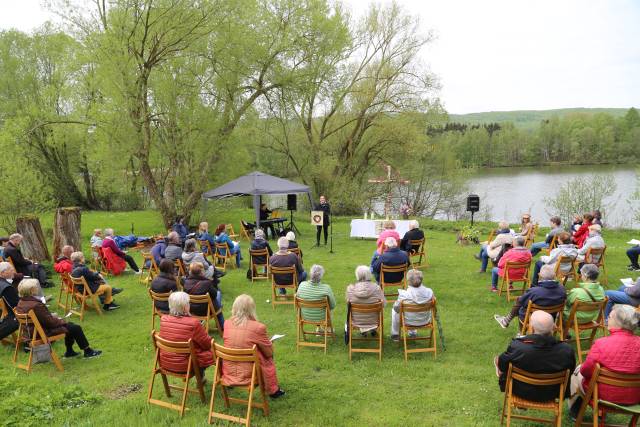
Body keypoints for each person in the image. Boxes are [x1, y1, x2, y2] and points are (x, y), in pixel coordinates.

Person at [568, 304, 640, 418]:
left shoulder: (601, 343)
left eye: (610, 317)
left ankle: (575, 412)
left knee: (577, 371)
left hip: (602, 396)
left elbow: (586, 371)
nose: (607, 319)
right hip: (634, 397)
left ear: (618, 322)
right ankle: (599, 414)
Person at [495, 311, 575, 402]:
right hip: (552, 393)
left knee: (499, 361)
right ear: (554, 327)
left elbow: (502, 364)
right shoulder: (566, 350)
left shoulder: (518, 347)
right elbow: (570, 371)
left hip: (520, 391)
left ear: (531, 328)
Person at [16, 279, 102, 358]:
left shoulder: (21, 302)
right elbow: (50, 323)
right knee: (76, 328)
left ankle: (70, 352)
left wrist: (57, 319)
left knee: (70, 326)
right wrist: (61, 320)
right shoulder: (36, 305)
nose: (38, 289)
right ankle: (88, 351)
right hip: (42, 332)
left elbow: (45, 319)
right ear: (32, 290)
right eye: (36, 287)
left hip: (31, 332)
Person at [222, 294, 285, 398]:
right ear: (251, 309)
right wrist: (270, 344)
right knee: (265, 357)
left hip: (228, 371)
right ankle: (273, 390)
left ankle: (272, 389)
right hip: (249, 374)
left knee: (252, 350)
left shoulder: (227, 324)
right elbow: (269, 353)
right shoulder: (258, 327)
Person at [158, 291, 214, 375]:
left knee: (196, 349)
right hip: (187, 366)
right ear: (185, 307)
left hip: (166, 363)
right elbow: (208, 344)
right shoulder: (193, 323)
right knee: (216, 352)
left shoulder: (164, 320)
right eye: (188, 303)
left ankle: (201, 379)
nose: (189, 305)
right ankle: (223, 381)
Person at [494, 265, 567, 328]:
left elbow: (522, 302)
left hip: (533, 318)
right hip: (552, 318)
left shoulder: (534, 292)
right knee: (521, 300)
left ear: (540, 276)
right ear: (554, 276)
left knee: (520, 303)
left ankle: (517, 330)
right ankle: (506, 321)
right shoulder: (562, 289)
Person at [390, 269, 434, 341]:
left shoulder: (404, 295)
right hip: (425, 320)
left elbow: (396, 308)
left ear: (408, 281)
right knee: (405, 310)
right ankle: (412, 332)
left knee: (394, 311)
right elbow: (434, 306)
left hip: (408, 321)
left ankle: (395, 334)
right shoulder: (429, 292)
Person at [345, 266, 386, 336]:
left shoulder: (350, 289)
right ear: (369, 274)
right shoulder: (376, 288)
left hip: (356, 321)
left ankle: (363, 330)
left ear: (357, 275)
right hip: (374, 321)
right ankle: (371, 329)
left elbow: (348, 305)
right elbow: (384, 304)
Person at [182, 262, 224, 329]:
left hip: (192, 310)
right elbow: (214, 295)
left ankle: (201, 321)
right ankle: (222, 326)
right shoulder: (207, 283)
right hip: (206, 310)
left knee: (216, 299)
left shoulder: (186, 282)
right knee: (218, 295)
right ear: (201, 272)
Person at [0, 262, 19, 341]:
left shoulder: (3, 284)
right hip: (12, 315)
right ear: (3, 273)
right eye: (10, 269)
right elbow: (16, 305)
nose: (13, 271)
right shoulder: (7, 288)